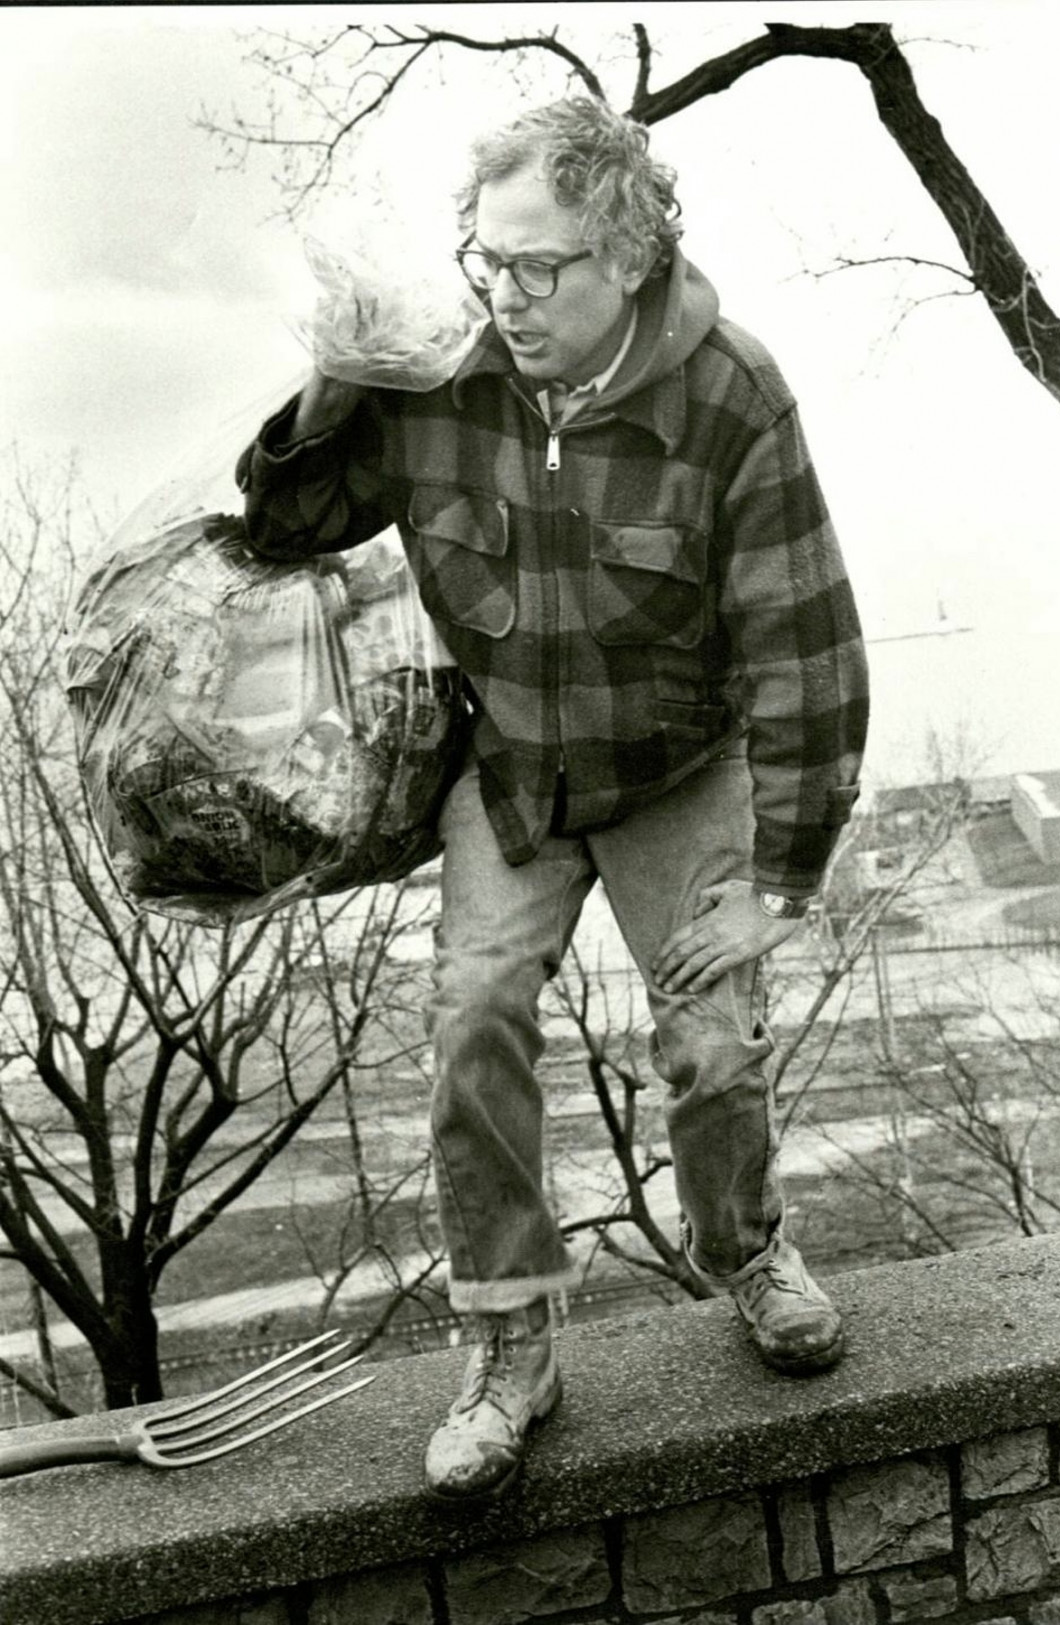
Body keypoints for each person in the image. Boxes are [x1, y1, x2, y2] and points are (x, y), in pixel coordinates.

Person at [237, 96, 869, 1504]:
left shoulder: (732, 397)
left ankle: (746, 1247)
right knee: (469, 1015)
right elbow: (280, 524)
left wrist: (781, 886)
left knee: (711, 1039)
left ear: (628, 258)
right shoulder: (440, 375)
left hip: (678, 769)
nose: (504, 297)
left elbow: (805, 646)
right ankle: (511, 1343)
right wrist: (342, 385)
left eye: (538, 269)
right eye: (486, 261)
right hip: (512, 766)